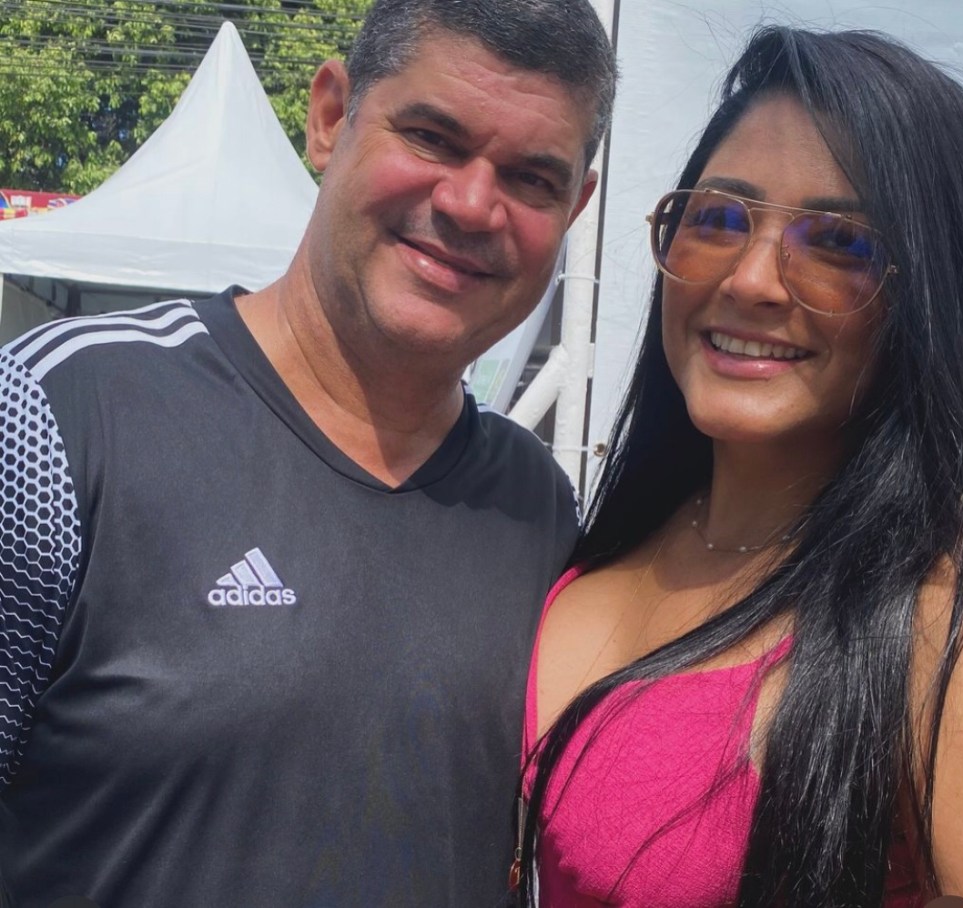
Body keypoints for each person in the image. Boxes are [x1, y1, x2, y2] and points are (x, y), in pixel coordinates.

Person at [0, 1, 616, 906]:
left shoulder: (539, 511)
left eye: (531, 179)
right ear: (330, 117)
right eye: (433, 137)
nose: (470, 204)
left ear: (574, 210)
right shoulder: (58, 415)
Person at [517, 25, 963, 908]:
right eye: (718, 219)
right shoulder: (578, 557)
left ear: (923, 302)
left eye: (840, 243)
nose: (752, 280)